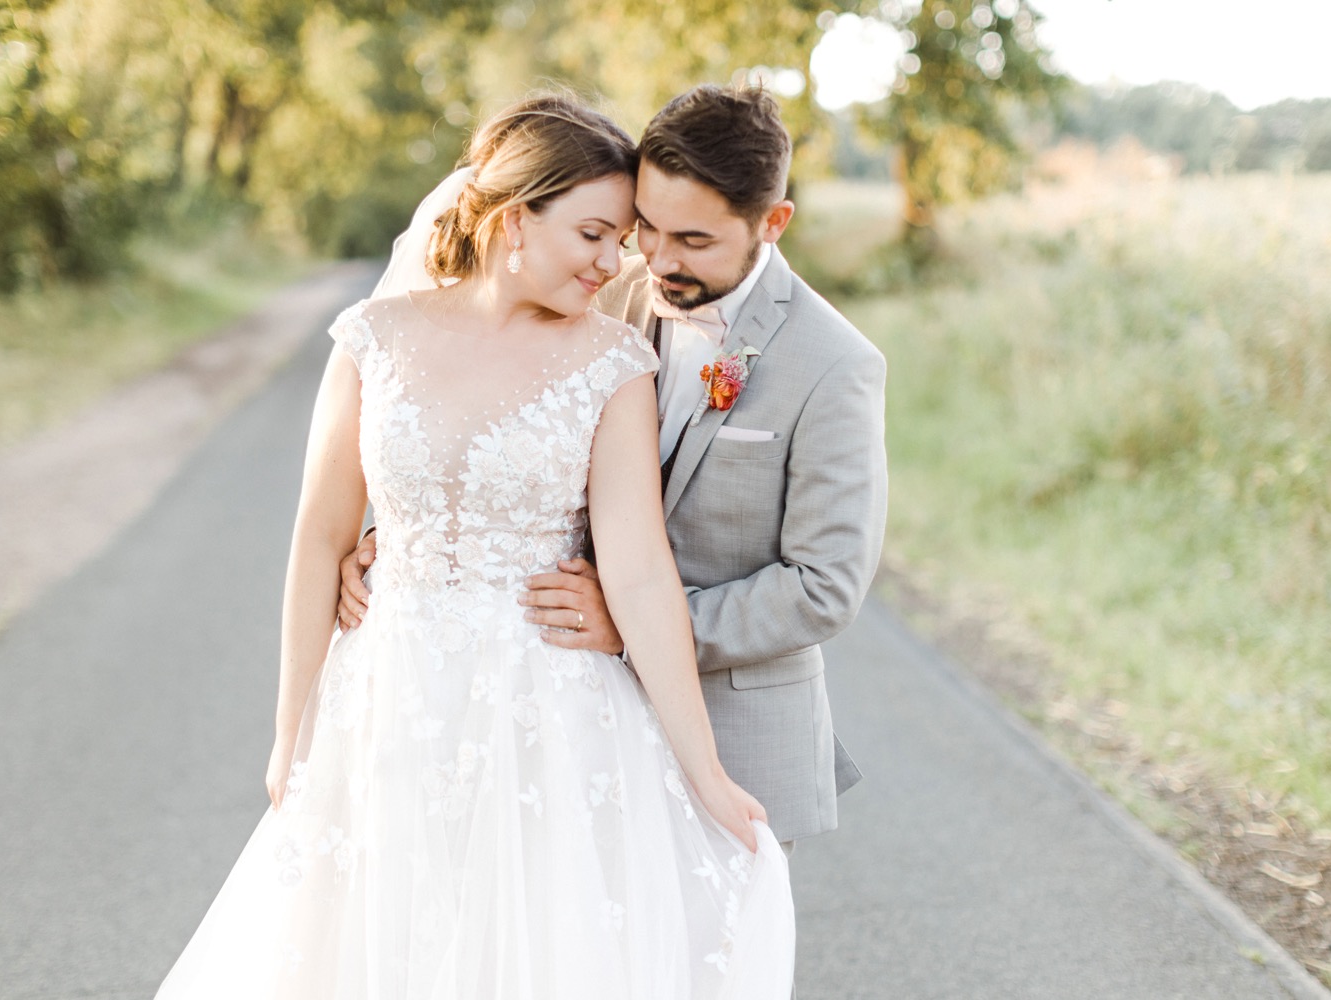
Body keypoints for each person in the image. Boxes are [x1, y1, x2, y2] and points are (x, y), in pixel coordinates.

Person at [154, 94, 794, 999]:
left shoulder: (613, 366)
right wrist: (289, 730)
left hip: (548, 715)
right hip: (385, 702)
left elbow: (641, 571)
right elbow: (320, 537)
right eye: (596, 234)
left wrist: (706, 772)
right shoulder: (374, 339)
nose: (617, 263)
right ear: (512, 221)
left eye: (621, 239)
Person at [340, 85, 889, 853]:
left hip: (733, 728)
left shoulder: (834, 365)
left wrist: (628, 626)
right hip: (565, 712)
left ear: (773, 222)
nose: (659, 259)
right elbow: (474, 411)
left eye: (693, 240)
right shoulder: (598, 290)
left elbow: (824, 585)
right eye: (649, 229)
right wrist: (402, 546)